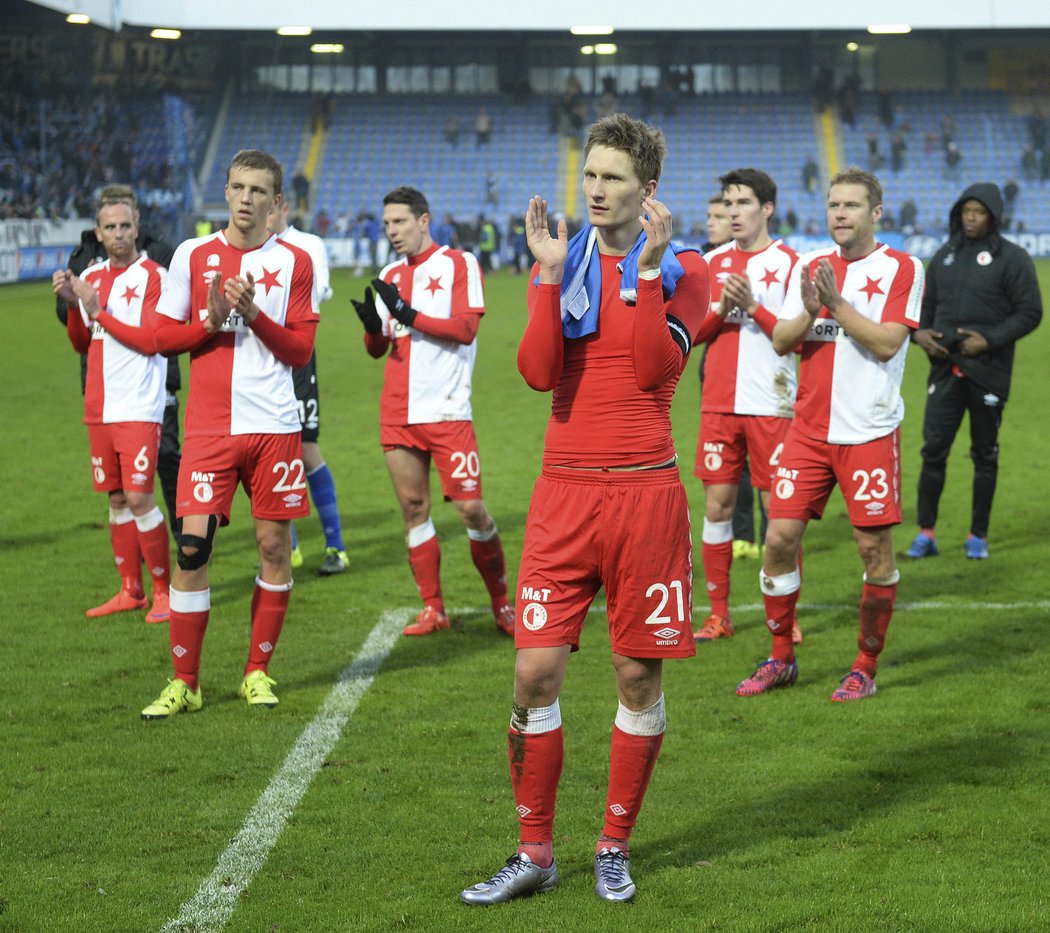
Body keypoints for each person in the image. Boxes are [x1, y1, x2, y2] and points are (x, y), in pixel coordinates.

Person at [460, 113, 710, 906]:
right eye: (590, 175)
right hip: (563, 493)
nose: (596, 190)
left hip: (645, 495)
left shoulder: (687, 271)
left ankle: (613, 844)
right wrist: (542, 276)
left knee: (637, 678)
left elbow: (646, 371)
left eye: (613, 178)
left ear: (649, 190)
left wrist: (647, 270)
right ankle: (534, 850)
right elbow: (537, 373)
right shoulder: (561, 261)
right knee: (533, 673)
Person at [139, 149, 318, 719]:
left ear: (275, 202)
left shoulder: (296, 262)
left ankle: (256, 671)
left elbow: (300, 350)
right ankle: (185, 681)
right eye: (237, 187)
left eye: (257, 190)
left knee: (273, 549)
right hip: (210, 429)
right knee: (192, 550)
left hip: (275, 428)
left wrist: (254, 313)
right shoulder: (192, 255)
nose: (245, 198)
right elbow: (163, 339)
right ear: (226, 190)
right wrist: (211, 322)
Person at [735, 167, 924, 703]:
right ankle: (781, 658)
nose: (840, 214)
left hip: (868, 432)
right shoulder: (815, 267)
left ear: (875, 213)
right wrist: (813, 306)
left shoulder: (903, 268)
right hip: (809, 432)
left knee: (874, 552)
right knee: (778, 539)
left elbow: (888, 343)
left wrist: (837, 304)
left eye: (851, 206)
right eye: (834, 206)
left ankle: (864, 666)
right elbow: (782, 340)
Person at [350, 186, 514, 638]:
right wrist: (372, 329)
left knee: (471, 509)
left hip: (446, 409)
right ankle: (434, 608)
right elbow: (378, 347)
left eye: (400, 222)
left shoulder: (460, 264)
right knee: (413, 508)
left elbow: (464, 329)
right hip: (398, 411)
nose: (392, 231)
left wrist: (409, 312)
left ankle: (502, 603)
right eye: (387, 224)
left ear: (424, 220)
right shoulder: (389, 273)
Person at [52, 191, 172, 624]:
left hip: (139, 405)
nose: (119, 234)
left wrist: (97, 309)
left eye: (126, 226)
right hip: (99, 406)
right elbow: (83, 344)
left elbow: (151, 341)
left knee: (141, 496)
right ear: (98, 233)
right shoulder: (92, 276)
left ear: (137, 226)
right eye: (110, 228)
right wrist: (73, 307)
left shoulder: (156, 277)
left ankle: (164, 591)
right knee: (117, 498)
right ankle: (130, 590)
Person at [906, 183, 1042, 561]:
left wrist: (990, 340)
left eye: (979, 211)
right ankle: (925, 533)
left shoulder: (1012, 258)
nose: (970, 217)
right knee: (933, 452)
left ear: (993, 216)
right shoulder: (944, 255)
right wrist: (919, 334)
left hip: (988, 372)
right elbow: (924, 308)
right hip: (945, 370)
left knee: (985, 455)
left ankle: (977, 536)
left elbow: (1030, 312)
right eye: (966, 210)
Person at [693, 169, 799, 643]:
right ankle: (719, 614)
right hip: (718, 403)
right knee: (717, 507)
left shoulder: (792, 263)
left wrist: (753, 305)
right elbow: (689, 336)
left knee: (782, 515)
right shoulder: (709, 263)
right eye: (729, 204)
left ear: (767, 209)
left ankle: (786, 617)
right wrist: (720, 309)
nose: (734, 212)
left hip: (773, 404)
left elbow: (793, 339)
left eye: (743, 203)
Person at [268, 199, 349, 575]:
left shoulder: (308, 245)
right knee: (267, 452)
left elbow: (313, 297)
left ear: (281, 203)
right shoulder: (248, 248)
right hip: (256, 362)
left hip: (297, 360)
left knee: (305, 448)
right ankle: (291, 547)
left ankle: (336, 546)